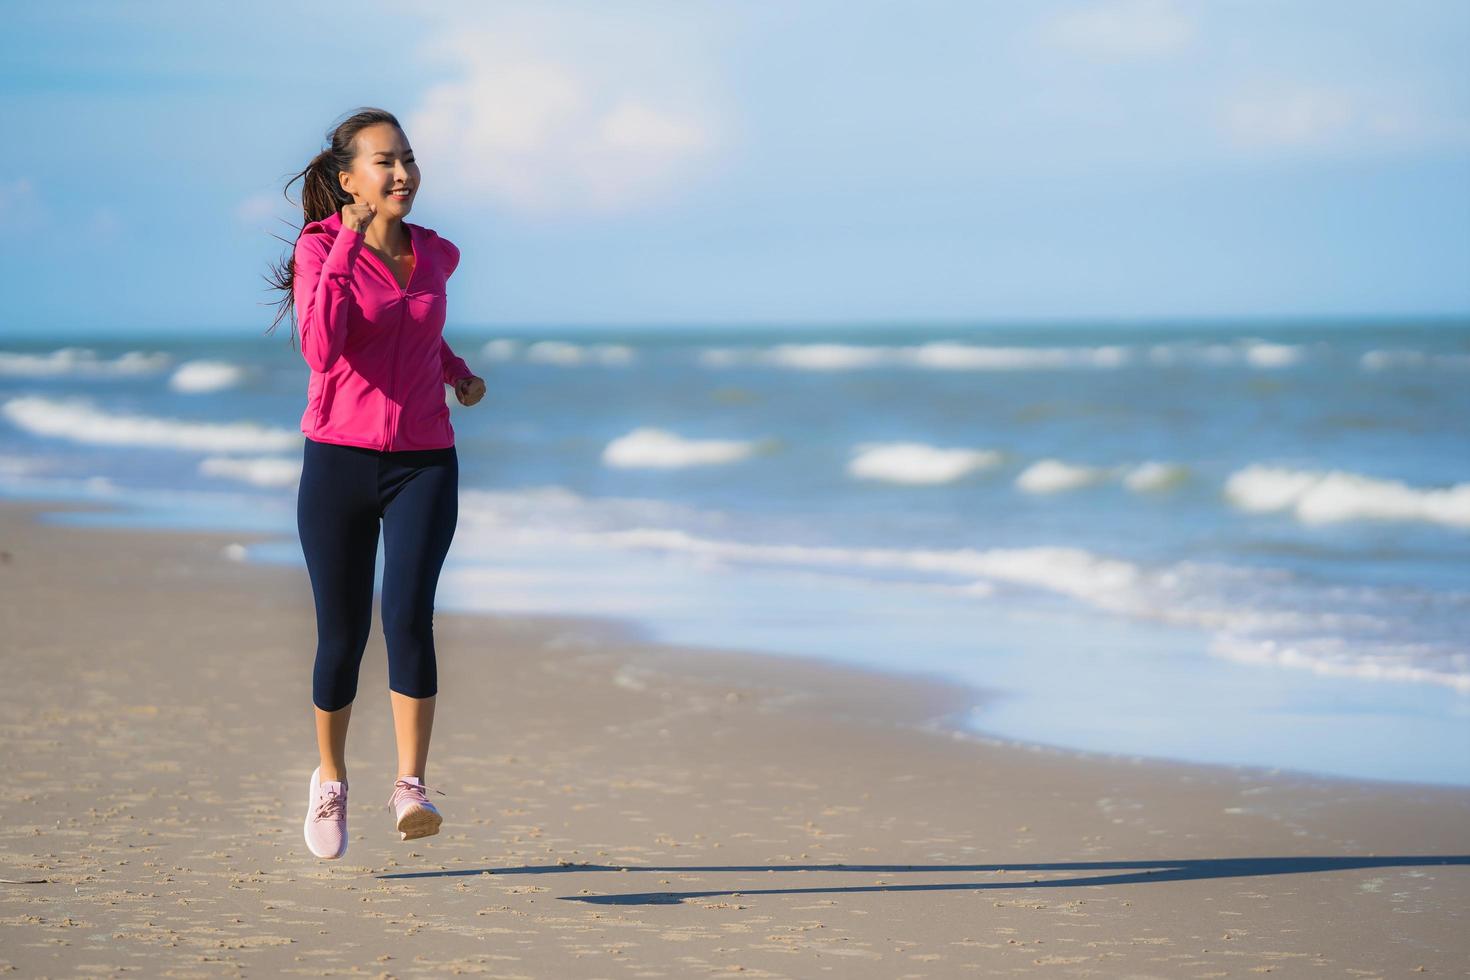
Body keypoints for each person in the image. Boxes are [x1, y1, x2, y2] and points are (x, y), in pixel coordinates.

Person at [265, 107, 486, 860]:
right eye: (385, 162)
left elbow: (416, 326)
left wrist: (455, 372)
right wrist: (346, 245)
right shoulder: (320, 248)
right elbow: (321, 351)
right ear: (347, 177)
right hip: (338, 462)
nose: (402, 174)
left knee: (411, 618)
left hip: (425, 459)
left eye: (409, 159)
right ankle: (330, 780)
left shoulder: (436, 254)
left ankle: (410, 786)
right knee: (343, 633)